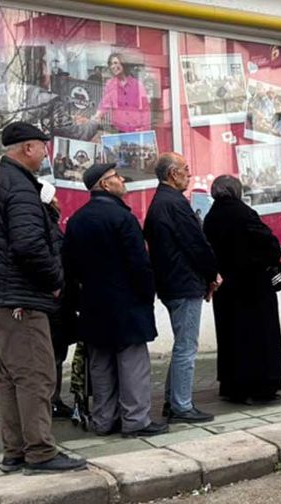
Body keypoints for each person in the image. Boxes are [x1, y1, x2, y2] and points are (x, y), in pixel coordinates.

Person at [0, 122, 87, 474]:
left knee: (11, 376)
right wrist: (55, 281)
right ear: (26, 148)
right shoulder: (19, 187)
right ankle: (40, 452)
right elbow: (28, 245)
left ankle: (15, 451)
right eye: (42, 147)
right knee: (36, 375)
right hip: (18, 296)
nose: (46, 154)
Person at [63, 162, 167, 437]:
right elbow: (139, 263)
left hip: (93, 304)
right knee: (132, 363)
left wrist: (76, 302)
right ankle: (136, 421)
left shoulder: (76, 220)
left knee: (100, 364)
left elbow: (69, 267)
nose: (122, 180)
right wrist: (148, 294)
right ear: (105, 184)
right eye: (117, 177)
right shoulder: (123, 218)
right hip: (127, 303)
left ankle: (104, 419)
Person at [144, 153, 219, 423]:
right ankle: (181, 405)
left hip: (173, 281)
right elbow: (195, 243)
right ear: (173, 174)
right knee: (187, 346)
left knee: (182, 345)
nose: (190, 173)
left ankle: (172, 400)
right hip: (183, 282)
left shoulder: (161, 202)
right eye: (186, 169)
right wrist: (212, 274)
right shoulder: (173, 203)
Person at [203, 175, 281, 403]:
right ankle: (260, 387)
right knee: (258, 337)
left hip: (226, 288)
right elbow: (269, 244)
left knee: (231, 337)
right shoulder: (244, 213)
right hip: (253, 286)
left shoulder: (210, 218)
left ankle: (233, 387)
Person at [38, 181, 76, 419]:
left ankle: (53, 400)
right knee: (53, 355)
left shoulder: (47, 224)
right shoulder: (47, 227)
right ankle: (51, 401)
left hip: (55, 302)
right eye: (55, 197)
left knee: (54, 354)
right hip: (54, 302)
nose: (59, 202)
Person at [91, 53, 151, 132]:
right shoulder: (110, 84)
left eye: (115, 63)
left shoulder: (137, 85)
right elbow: (104, 104)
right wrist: (97, 116)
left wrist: (145, 128)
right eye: (111, 64)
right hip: (119, 131)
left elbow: (145, 108)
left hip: (136, 131)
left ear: (123, 64)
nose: (113, 67)